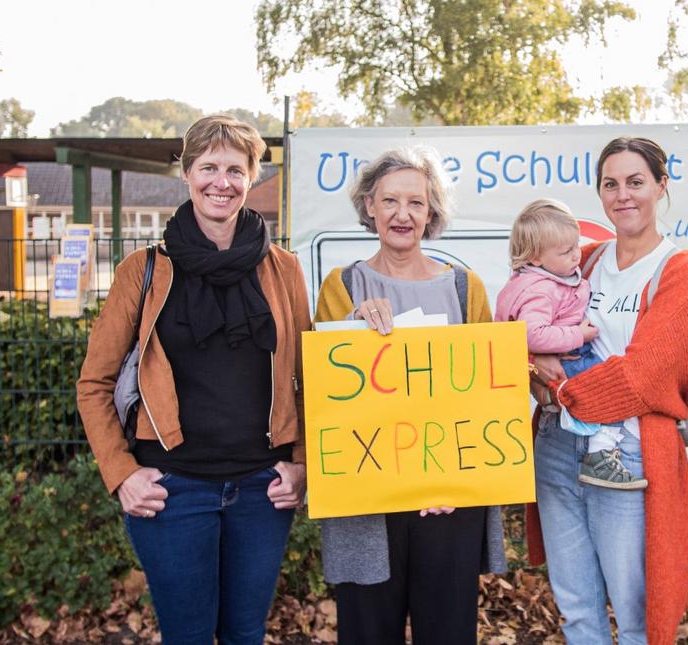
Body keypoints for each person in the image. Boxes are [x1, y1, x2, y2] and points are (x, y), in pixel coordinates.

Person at [76, 115, 310, 643]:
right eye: (208, 168)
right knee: (187, 636)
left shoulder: (284, 269)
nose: (221, 182)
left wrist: (302, 466)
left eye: (235, 170)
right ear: (186, 173)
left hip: (263, 489)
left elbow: (308, 377)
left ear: (251, 177)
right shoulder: (143, 271)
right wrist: (121, 473)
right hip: (170, 489)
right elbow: (94, 384)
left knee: (245, 634)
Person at [312, 146, 507, 644]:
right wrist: (350, 328)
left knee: (448, 633)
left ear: (431, 211)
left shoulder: (465, 288)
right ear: (369, 206)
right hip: (367, 503)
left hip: (449, 501)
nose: (403, 214)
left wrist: (453, 480)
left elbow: (484, 396)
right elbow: (326, 395)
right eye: (390, 201)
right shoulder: (343, 286)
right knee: (367, 633)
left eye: (416, 202)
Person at [527, 137, 688, 644]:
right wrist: (531, 364)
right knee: (576, 609)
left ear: (661, 186)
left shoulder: (682, 270)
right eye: (611, 184)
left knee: (636, 616)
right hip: (558, 446)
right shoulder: (582, 261)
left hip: (627, 454)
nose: (622, 195)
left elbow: (642, 377)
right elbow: (526, 325)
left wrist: (557, 390)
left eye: (635, 182)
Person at [495, 198, 646, 490]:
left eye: (577, 245)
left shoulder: (540, 278)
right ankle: (600, 454)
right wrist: (579, 334)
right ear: (535, 258)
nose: (577, 255)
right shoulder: (540, 290)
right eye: (566, 252)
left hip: (562, 360)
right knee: (615, 389)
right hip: (569, 358)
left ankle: (579, 425)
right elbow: (532, 334)